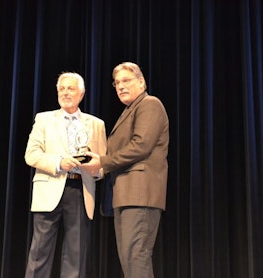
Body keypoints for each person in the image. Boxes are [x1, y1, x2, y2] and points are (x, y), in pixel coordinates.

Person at [81, 62, 169, 277]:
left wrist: (102, 161)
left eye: (126, 80)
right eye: (117, 82)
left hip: (140, 195)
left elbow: (141, 145)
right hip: (125, 195)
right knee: (129, 258)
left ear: (142, 82)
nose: (120, 86)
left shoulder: (150, 104)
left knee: (136, 256)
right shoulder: (129, 111)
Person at [24, 72, 107, 278]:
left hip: (81, 190)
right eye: (61, 89)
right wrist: (59, 163)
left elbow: (103, 164)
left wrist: (93, 169)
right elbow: (31, 155)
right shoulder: (43, 119)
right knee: (39, 252)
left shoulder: (96, 124)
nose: (65, 93)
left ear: (81, 93)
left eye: (70, 88)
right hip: (50, 188)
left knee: (76, 254)